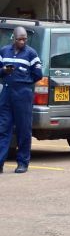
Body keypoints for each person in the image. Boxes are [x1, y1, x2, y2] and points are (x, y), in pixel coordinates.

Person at [0, 26, 43, 174]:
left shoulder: (31, 53)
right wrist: (4, 71)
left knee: (23, 129)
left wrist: (24, 80)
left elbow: (38, 74)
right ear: (14, 38)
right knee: (3, 128)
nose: (22, 41)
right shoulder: (4, 51)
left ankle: (23, 163)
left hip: (23, 94)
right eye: (19, 39)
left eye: (24, 39)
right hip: (6, 92)